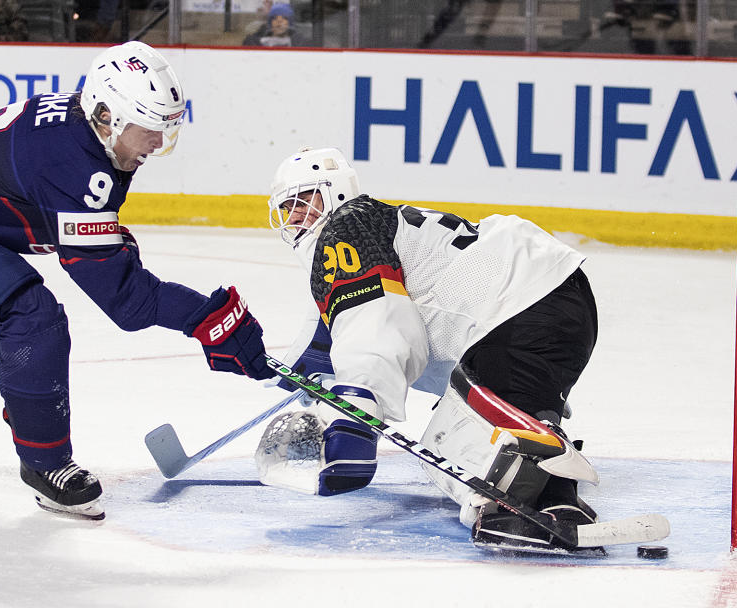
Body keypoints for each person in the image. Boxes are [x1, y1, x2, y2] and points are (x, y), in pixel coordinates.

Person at [0, 42, 275, 520]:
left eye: (167, 130)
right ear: (107, 116)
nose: (158, 145)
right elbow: (126, 301)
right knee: (29, 316)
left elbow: (70, 220)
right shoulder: (74, 166)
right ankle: (45, 463)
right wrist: (207, 318)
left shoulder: (92, 136)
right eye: (150, 130)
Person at [255, 147, 600, 553]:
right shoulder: (366, 226)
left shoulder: (345, 228)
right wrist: (292, 375)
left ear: (336, 194)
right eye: (286, 206)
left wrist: (355, 415)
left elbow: (373, 324)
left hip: (520, 309)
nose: (294, 216)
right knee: (458, 429)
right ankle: (535, 428)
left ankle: (554, 505)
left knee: (459, 452)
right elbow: (332, 332)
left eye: (303, 200)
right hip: (543, 297)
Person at [242, 2, 309, 47]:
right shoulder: (254, 42)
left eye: (284, 17)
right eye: (274, 18)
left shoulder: (300, 43)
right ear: (270, 22)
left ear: (290, 22)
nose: (279, 21)